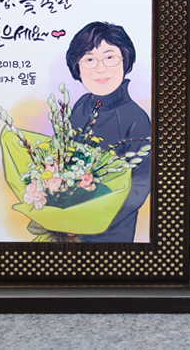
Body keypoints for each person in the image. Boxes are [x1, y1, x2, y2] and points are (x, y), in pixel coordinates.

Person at [65, 21, 151, 242]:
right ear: (77, 66)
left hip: (110, 231)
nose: (100, 69)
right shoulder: (81, 105)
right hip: (69, 222)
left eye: (110, 57)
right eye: (89, 60)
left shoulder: (135, 119)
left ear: (125, 60)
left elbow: (140, 185)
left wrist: (94, 219)